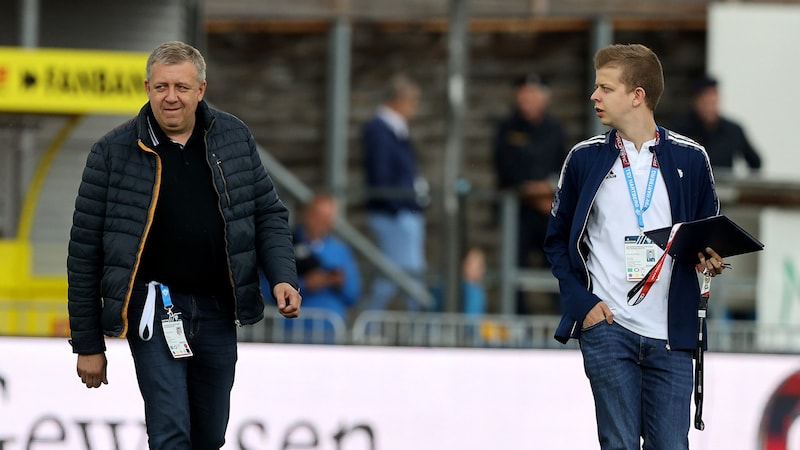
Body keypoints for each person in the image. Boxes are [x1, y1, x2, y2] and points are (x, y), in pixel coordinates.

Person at [67, 41, 301, 449]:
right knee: (171, 431)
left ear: (201, 90)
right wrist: (88, 344)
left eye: (180, 86)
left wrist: (282, 276)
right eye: (160, 87)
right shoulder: (110, 153)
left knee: (209, 437)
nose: (170, 96)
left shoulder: (234, 137)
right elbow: (84, 252)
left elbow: (268, 215)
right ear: (147, 87)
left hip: (217, 310)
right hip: (153, 309)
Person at [544, 44, 728, 449]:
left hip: (672, 334)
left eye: (605, 88)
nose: (594, 96)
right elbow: (556, 241)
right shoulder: (583, 159)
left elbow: (707, 237)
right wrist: (582, 304)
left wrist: (710, 257)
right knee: (619, 444)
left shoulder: (691, 158)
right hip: (608, 328)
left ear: (637, 95)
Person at [492, 73, 566, 314]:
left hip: (548, 213)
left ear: (545, 97)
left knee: (558, 266)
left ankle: (562, 322)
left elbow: (564, 168)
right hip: (518, 212)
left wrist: (548, 191)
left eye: (532, 93)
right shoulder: (507, 128)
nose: (526, 98)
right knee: (514, 266)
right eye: (523, 92)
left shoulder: (555, 129)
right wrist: (534, 192)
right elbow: (505, 172)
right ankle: (516, 324)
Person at [362, 73, 429, 311]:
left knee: (400, 273)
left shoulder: (394, 129)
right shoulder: (380, 130)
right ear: (398, 100)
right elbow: (381, 176)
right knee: (403, 274)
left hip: (404, 211)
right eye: (412, 101)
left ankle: (371, 325)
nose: (414, 107)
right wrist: (400, 208)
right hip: (395, 214)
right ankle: (372, 324)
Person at [287, 193, 361, 342]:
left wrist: (338, 282)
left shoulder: (340, 250)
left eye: (327, 218)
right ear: (306, 214)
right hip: (292, 332)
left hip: (331, 331)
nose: (321, 222)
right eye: (318, 215)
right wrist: (305, 284)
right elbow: (266, 286)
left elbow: (354, 293)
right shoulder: (286, 244)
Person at [671, 75, 762, 174]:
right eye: (705, 100)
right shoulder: (680, 129)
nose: (709, 105)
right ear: (696, 101)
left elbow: (756, 162)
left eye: (712, 99)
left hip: (723, 186)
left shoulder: (732, 130)